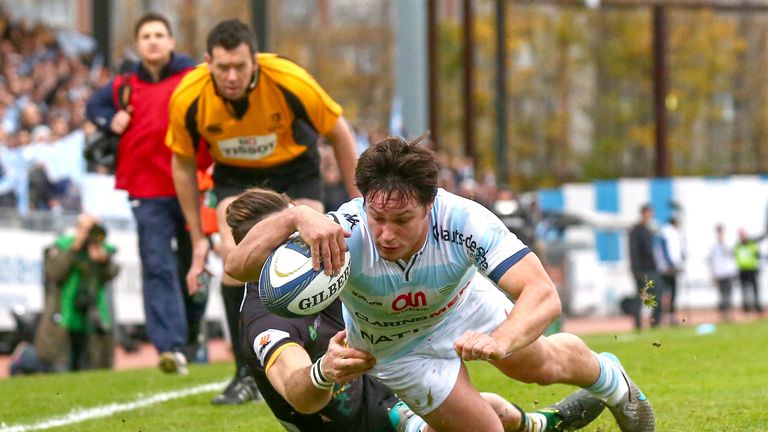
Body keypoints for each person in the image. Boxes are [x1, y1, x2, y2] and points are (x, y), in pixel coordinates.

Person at [226, 137, 655, 432]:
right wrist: (292, 215)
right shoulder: (344, 230)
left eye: (402, 220)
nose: (386, 234)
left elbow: (542, 294)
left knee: (539, 366)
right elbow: (238, 266)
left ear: (430, 205)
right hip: (395, 350)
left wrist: (502, 341)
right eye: (378, 218)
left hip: (464, 306)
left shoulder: (465, 220)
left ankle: (612, 381)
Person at [166, 19, 359, 404]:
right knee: (233, 262)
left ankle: (326, 354)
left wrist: (360, 203)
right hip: (235, 178)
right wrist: (197, 239)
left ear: (255, 60)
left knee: (316, 254)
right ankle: (246, 375)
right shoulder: (189, 95)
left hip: (296, 171)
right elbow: (183, 164)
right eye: (223, 68)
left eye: (240, 66)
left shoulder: (289, 80)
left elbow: (338, 131)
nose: (232, 76)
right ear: (208, 63)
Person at [85, 12, 201, 375]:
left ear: (170, 42)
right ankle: (170, 348)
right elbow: (93, 107)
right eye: (146, 35)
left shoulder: (191, 78)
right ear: (137, 45)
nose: (152, 40)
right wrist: (110, 119)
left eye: (159, 34)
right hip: (144, 188)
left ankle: (189, 340)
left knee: (193, 267)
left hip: (191, 187)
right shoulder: (123, 84)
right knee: (157, 266)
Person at [45, 214, 119, 370]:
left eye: (92, 229)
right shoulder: (64, 246)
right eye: (84, 229)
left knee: (92, 367)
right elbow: (53, 273)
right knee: (64, 366)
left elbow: (112, 274)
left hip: (93, 317)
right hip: (65, 316)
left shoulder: (102, 251)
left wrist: (102, 261)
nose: (88, 234)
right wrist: (74, 250)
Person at [628, 204, 663, 330]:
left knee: (657, 295)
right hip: (642, 270)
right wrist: (636, 271)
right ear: (643, 213)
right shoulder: (636, 230)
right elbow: (633, 252)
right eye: (649, 212)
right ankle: (638, 323)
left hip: (652, 269)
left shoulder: (649, 230)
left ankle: (655, 322)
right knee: (640, 297)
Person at [654, 215, 685, 325]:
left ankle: (668, 316)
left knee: (669, 292)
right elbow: (668, 251)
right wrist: (672, 264)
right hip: (668, 268)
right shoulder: (669, 233)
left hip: (667, 267)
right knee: (668, 292)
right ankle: (666, 317)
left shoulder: (667, 232)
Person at [709, 224, 738, 321]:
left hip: (728, 273)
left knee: (728, 294)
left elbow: (731, 257)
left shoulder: (728, 243)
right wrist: (713, 274)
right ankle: (723, 316)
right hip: (719, 273)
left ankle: (729, 314)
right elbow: (712, 261)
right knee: (721, 295)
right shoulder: (713, 246)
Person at [734, 229, 763, 314]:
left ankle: (758, 308)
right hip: (742, 270)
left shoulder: (752, 244)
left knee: (755, 290)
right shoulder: (738, 246)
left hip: (752, 270)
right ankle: (746, 309)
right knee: (744, 290)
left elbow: (757, 254)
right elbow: (735, 256)